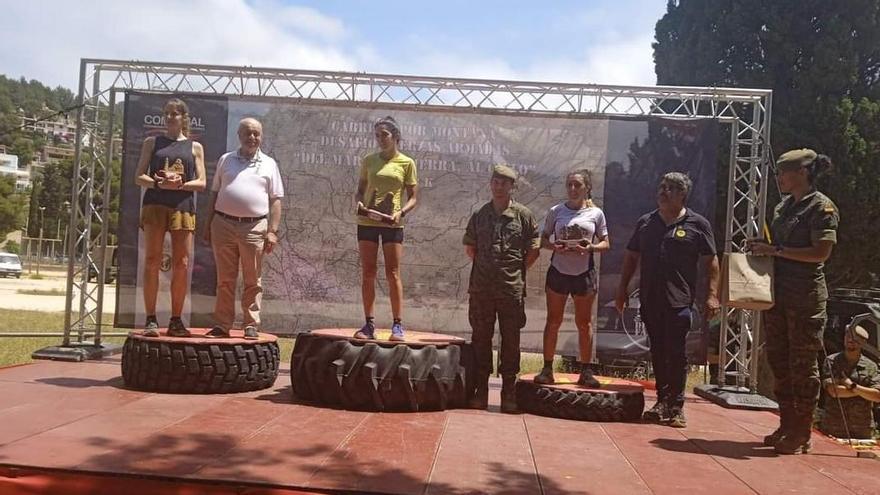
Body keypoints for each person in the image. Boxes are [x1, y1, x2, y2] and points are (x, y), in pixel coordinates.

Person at [749, 148, 839, 454]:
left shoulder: (822, 207)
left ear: (801, 173)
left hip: (806, 298)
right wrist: (763, 248)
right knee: (780, 361)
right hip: (778, 295)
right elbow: (779, 247)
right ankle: (786, 424)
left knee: (803, 365)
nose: (779, 179)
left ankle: (802, 431)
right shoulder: (783, 208)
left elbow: (820, 253)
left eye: (782, 173)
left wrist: (776, 251)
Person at [616, 172, 720, 428]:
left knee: (676, 353)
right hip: (650, 300)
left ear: (683, 194)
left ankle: (677, 407)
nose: (664, 191)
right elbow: (631, 257)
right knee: (658, 352)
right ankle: (661, 402)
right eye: (662, 187)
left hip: (680, 301)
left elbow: (712, 262)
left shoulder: (698, 224)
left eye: (671, 188)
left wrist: (712, 295)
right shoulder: (646, 222)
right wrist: (621, 290)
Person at [463, 164, 541, 413]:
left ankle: (509, 393)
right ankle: (481, 391)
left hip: (510, 290)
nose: (499, 187)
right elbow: (470, 249)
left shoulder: (523, 216)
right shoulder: (480, 215)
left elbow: (533, 250)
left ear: (512, 187)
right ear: (491, 184)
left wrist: (514, 272)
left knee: (511, 342)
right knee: (480, 341)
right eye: (495, 182)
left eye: (504, 183)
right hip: (482, 290)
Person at [204, 118, 283, 339]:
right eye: (248, 133)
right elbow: (214, 193)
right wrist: (207, 224)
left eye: (256, 134)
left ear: (261, 137)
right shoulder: (225, 160)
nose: (252, 138)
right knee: (225, 279)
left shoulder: (269, 164)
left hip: (255, 227)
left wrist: (272, 231)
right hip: (223, 225)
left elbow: (276, 200)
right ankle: (222, 325)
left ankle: (250, 324)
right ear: (239, 135)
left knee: (252, 280)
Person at [134, 98, 206, 337]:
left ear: (184, 117)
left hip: (182, 206)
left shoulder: (195, 147)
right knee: (152, 260)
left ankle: (176, 319)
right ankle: (151, 319)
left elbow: (202, 182)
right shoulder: (152, 142)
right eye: (167, 113)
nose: (170, 117)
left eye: (175, 113)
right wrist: (158, 182)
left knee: (182, 264)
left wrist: (181, 184)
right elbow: (139, 177)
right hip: (155, 204)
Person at [534, 169, 610, 387]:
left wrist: (592, 247)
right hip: (558, 271)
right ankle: (547, 369)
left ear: (587, 187)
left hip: (583, 273)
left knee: (583, 323)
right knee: (553, 321)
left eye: (577, 185)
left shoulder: (596, 214)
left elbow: (606, 243)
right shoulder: (556, 211)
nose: (573, 189)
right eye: (569, 185)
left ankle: (585, 371)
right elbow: (543, 239)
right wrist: (555, 246)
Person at [353, 116, 419, 341]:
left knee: (393, 273)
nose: (380, 139)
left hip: (392, 223)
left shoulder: (406, 163)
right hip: (367, 222)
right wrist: (359, 203)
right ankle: (368, 324)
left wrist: (401, 213)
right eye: (377, 135)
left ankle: (397, 325)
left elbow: (413, 198)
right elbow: (360, 190)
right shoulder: (369, 160)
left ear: (396, 137)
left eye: (385, 135)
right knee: (368, 272)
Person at [820, 325, 880, 439]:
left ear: (863, 342)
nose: (850, 340)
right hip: (834, 426)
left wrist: (851, 386)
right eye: (848, 336)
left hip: (862, 429)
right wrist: (863, 392)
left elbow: (877, 396)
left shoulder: (871, 366)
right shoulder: (832, 361)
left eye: (855, 338)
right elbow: (834, 391)